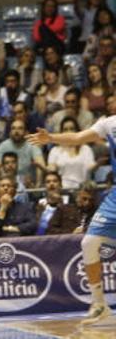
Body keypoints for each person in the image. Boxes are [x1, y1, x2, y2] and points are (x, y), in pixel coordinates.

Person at [28, 115, 116, 323]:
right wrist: (50, 138)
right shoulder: (109, 123)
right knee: (89, 243)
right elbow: (77, 137)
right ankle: (99, 304)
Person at [47, 117, 96, 189]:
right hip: (62, 189)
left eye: (72, 129)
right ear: (61, 132)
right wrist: (51, 167)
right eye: (65, 129)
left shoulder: (86, 149)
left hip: (82, 189)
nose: (68, 132)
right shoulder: (55, 151)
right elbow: (51, 169)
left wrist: (98, 164)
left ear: (77, 131)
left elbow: (90, 168)